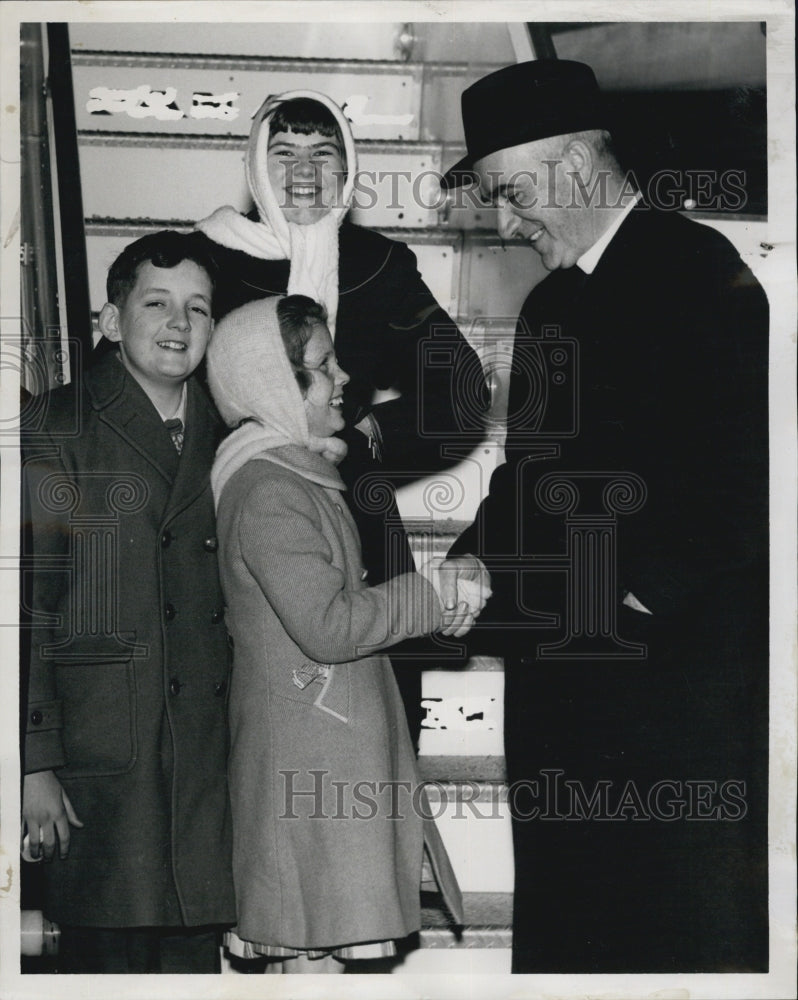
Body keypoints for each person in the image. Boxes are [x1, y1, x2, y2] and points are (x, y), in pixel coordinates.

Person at [443, 60, 769, 973]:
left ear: (581, 163)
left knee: (670, 940)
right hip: (565, 695)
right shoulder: (552, 305)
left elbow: (747, 481)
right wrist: (473, 560)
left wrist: (635, 594)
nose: (506, 225)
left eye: (512, 195)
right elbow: (528, 479)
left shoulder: (699, 270)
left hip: (670, 705)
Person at [206, 294, 487, 973]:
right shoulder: (270, 489)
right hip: (310, 772)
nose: (344, 378)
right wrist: (431, 594)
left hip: (328, 761)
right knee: (308, 962)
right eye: (323, 364)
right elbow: (329, 626)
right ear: (277, 383)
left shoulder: (296, 473)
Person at [196, 91, 488, 745]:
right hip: (233, 522)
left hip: (354, 517)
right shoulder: (203, 262)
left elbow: (463, 393)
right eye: (284, 153)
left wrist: (362, 439)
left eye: (323, 153)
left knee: (377, 740)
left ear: (347, 168)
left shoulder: (377, 268)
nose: (304, 171)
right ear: (254, 163)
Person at [21, 231, 235, 973]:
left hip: (207, 757)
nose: (179, 323)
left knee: (192, 958)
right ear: (111, 322)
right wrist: (31, 763)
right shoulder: (56, 424)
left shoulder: (233, 430)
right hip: (102, 756)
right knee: (106, 959)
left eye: (198, 309)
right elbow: (27, 607)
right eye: (156, 303)